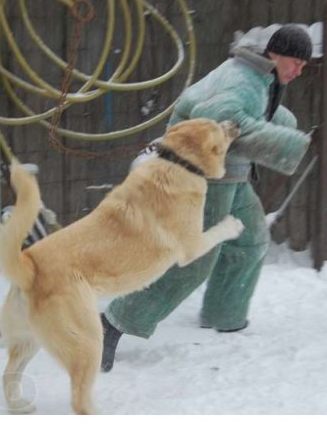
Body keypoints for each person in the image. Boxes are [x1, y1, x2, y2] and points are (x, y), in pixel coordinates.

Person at [100, 24, 314, 371]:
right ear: (275, 53)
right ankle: (113, 323)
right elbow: (221, 121)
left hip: (232, 175)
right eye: (295, 61)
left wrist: (288, 127)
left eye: (305, 65)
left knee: (250, 242)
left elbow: (259, 114)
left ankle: (224, 315)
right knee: (193, 262)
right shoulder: (241, 80)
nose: (299, 70)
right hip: (203, 179)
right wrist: (289, 143)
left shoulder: (260, 76)